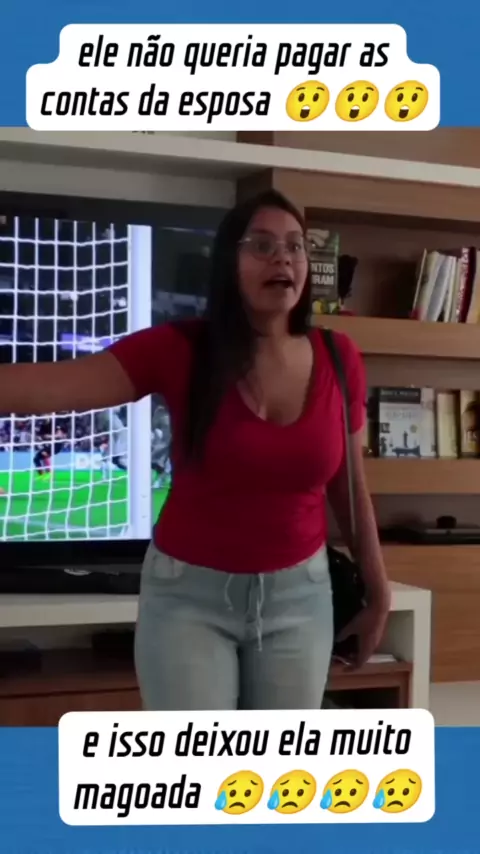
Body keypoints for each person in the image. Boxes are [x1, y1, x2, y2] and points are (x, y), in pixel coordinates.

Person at [0, 190, 390, 711]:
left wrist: (379, 592)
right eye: (262, 245)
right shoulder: (179, 348)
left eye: (295, 246)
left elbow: (350, 486)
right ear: (229, 262)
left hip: (302, 600)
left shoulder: (340, 357)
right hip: (188, 600)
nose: (283, 258)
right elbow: (52, 387)